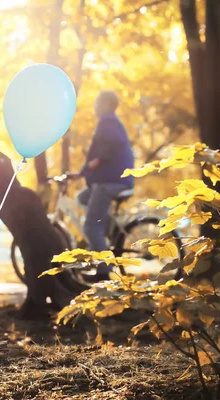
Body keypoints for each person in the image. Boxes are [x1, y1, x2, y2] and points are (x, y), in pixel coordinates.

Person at [79, 90, 135, 281]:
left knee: (90, 227)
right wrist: (81, 171)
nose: (94, 106)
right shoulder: (110, 122)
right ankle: (108, 225)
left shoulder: (108, 121)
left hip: (110, 182)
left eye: (97, 102)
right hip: (113, 180)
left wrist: (98, 160)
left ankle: (104, 271)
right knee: (82, 197)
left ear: (105, 104)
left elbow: (112, 146)